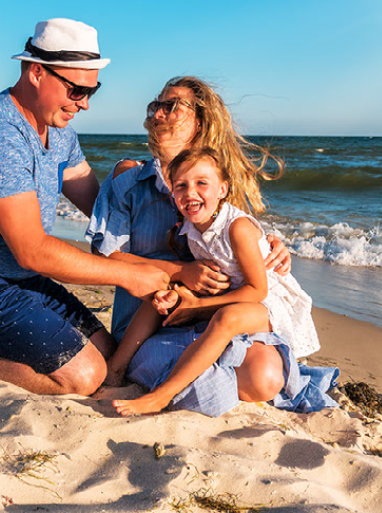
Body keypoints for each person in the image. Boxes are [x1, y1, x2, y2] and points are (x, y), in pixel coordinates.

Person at [0, 18, 169, 397]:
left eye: (92, 91)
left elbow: (98, 206)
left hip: (17, 279)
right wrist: (127, 276)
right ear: (36, 72)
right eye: (75, 90)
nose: (84, 104)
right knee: (84, 377)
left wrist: (156, 198)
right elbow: (32, 250)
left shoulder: (59, 129)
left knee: (109, 354)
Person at [88, 77, 336, 416]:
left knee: (264, 377)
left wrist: (274, 246)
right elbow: (106, 257)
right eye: (156, 105)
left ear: (200, 122)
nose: (160, 112)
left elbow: (241, 244)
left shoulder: (214, 184)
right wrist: (183, 272)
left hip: (214, 314)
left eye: (172, 105)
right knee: (205, 372)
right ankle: (143, 376)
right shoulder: (130, 177)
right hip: (152, 318)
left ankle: (187, 381)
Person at [107, 148, 326, 416]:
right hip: (235, 296)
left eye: (201, 183)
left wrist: (199, 305)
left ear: (222, 189)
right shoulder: (189, 228)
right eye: (181, 186)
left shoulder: (237, 228)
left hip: (268, 303)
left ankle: (162, 395)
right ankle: (114, 370)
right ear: (172, 193)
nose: (190, 193)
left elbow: (258, 290)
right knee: (164, 296)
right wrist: (179, 295)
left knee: (227, 319)